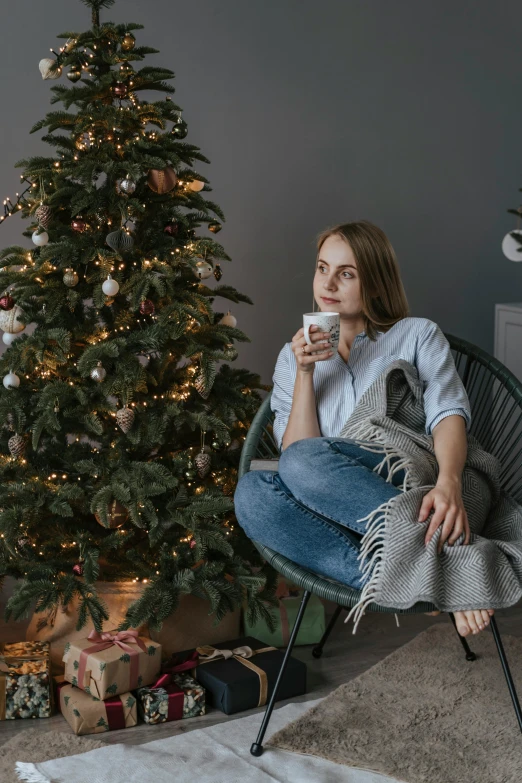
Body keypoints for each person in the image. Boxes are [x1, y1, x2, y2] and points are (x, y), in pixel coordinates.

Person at [234, 220, 494, 637]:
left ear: (374, 284)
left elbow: (447, 412)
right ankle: (444, 573)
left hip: (413, 486)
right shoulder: (291, 356)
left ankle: (439, 563)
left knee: (300, 462)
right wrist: (305, 372)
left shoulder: (416, 334)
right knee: (252, 496)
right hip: (339, 511)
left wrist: (449, 483)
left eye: (347, 273)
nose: (328, 283)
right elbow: (298, 460)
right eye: (322, 268)